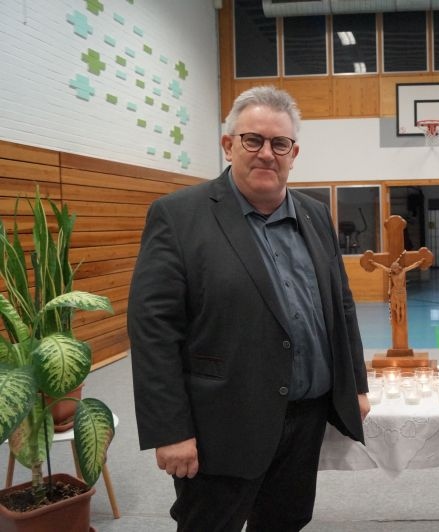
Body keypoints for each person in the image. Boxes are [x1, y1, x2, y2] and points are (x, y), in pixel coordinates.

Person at [127, 85, 370, 531]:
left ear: (294, 153)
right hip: (222, 422)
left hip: (305, 417)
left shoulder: (315, 214)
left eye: (279, 143)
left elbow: (341, 304)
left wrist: (355, 384)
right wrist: (170, 430)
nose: (266, 154)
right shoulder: (179, 216)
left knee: (285, 521)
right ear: (228, 145)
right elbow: (153, 330)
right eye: (252, 140)